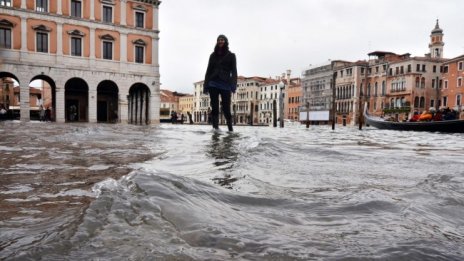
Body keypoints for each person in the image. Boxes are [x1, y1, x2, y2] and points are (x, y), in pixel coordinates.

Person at [204, 34, 237, 131]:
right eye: (219, 40)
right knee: (214, 107)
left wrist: (233, 85)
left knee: (226, 108)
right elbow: (208, 70)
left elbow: (234, 71)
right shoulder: (212, 55)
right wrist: (206, 86)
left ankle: (230, 130)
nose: (220, 41)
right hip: (213, 82)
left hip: (226, 83)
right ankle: (215, 129)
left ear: (226, 42)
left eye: (222, 40)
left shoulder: (231, 56)